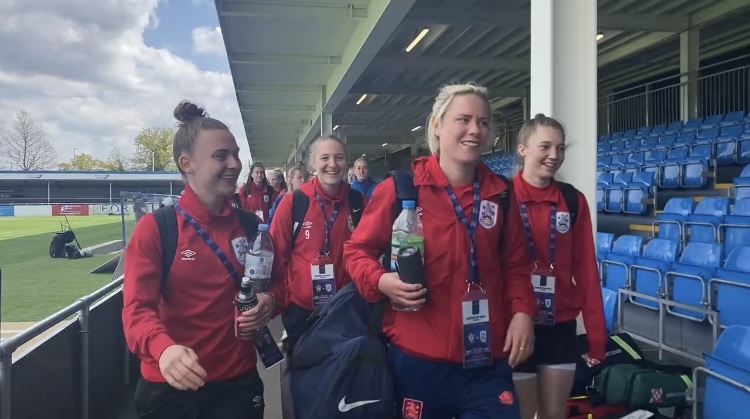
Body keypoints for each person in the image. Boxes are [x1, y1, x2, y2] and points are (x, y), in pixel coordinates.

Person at [343, 83, 536, 419]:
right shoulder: (401, 189)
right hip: (417, 362)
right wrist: (381, 281)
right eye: (464, 119)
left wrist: (522, 313)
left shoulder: (502, 194)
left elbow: (516, 266)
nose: (475, 130)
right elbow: (356, 251)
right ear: (437, 124)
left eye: (483, 122)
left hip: (486, 363)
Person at [122, 101, 281, 419]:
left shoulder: (251, 226)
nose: (235, 164)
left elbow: (279, 284)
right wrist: (163, 349)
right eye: (221, 156)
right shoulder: (158, 229)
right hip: (171, 388)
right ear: (187, 163)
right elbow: (137, 312)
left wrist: (269, 301)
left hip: (238, 385)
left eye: (235, 154)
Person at [511, 114, 607, 419]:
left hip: (559, 325)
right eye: (545, 146)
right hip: (515, 325)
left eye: (560, 148)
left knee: (554, 414)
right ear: (523, 149)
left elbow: (587, 272)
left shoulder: (573, 201)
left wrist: (596, 336)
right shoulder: (501, 198)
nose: (554, 156)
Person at [270, 135, 365, 342]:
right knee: (302, 372)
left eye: (339, 158)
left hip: (346, 312)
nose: (332, 164)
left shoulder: (358, 202)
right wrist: (288, 302)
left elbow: (368, 252)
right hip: (302, 315)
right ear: (313, 163)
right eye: (325, 158)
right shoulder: (294, 203)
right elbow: (276, 259)